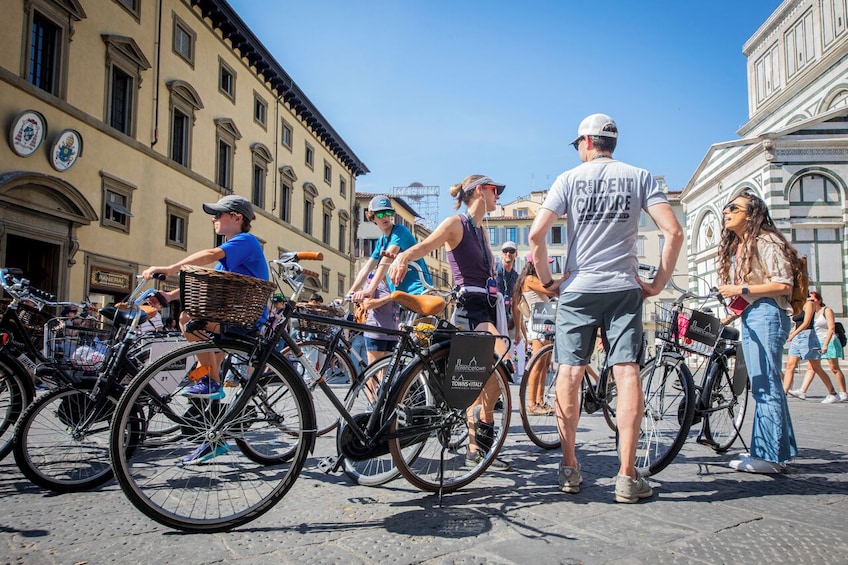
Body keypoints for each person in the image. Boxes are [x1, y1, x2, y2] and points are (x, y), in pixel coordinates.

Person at [528, 113, 683, 503]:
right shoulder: (640, 176)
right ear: (611, 143)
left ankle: (569, 468)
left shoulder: (568, 179)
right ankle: (627, 476)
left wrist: (549, 280)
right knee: (627, 372)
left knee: (569, 372)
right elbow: (673, 231)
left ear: (585, 142)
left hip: (578, 288)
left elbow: (536, 234)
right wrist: (659, 282)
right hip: (623, 287)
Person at [389, 174, 511, 471]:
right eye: (495, 190)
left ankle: (481, 432)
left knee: (490, 372)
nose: (499, 196)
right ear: (480, 191)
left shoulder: (482, 230)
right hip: (470, 309)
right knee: (493, 365)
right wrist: (403, 257)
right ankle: (477, 441)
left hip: (487, 307)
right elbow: (425, 245)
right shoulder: (456, 223)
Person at [142, 194, 268, 399]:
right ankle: (209, 412)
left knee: (187, 318)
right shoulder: (232, 255)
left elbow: (210, 254)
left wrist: (171, 268)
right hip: (231, 315)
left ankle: (211, 383)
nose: (213, 219)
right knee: (208, 365)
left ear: (237, 218)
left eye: (218, 214)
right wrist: (170, 296)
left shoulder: (245, 241)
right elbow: (205, 286)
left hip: (243, 318)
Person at [716, 190, 798, 474]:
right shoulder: (744, 245)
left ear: (751, 214)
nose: (727, 212)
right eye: (726, 207)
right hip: (754, 314)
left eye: (734, 208)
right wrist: (731, 312)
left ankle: (768, 456)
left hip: (768, 315)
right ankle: (781, 450)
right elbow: (752, 292)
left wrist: (739, 289)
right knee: (767, 382)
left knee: (765, 384)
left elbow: (782, 284)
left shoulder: (767, 240)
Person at [348, 195, 432, 365]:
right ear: (372, 217)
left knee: (418, 351)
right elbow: (366, 268)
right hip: (402, 300)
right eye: (379, 214)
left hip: (417, 293)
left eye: (387, 213)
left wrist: (369, 290)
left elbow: (385, 262)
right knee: (403, 354)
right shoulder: (381, 241)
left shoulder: (400, 231)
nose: (385, 217)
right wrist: (350, 292)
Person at [512, 253, 558, 415]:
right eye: (545, 264)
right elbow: (551, 291)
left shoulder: (534, 279)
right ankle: (531, 403)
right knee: (537, 364)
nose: (547, 267)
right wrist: (565, 279)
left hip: (546, 321)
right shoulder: (530, 280)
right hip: (538, 322)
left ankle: (539, 401)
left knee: (545, 365)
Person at [786, 291, 845, 403]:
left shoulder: (817, 307)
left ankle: (837, 393)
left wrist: (793, 334)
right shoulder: (803, 307)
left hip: (817, 338)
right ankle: (790, 391)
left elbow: (809, 323)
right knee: (797, 366)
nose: (812, 301)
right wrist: (791, 333)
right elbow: (797, 323)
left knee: (824, 367)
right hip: (805, 339)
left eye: (814, 299)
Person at [497, 241, 520, 375]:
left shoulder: (516, 277)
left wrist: (518, 329)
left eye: (511, 251)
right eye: (505, 251)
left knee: (506, 354)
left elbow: (516, 304)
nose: (508, 253)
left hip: (507, 321)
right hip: (494, 317)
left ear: (516, 254)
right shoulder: (495, 271)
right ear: (501, 253)